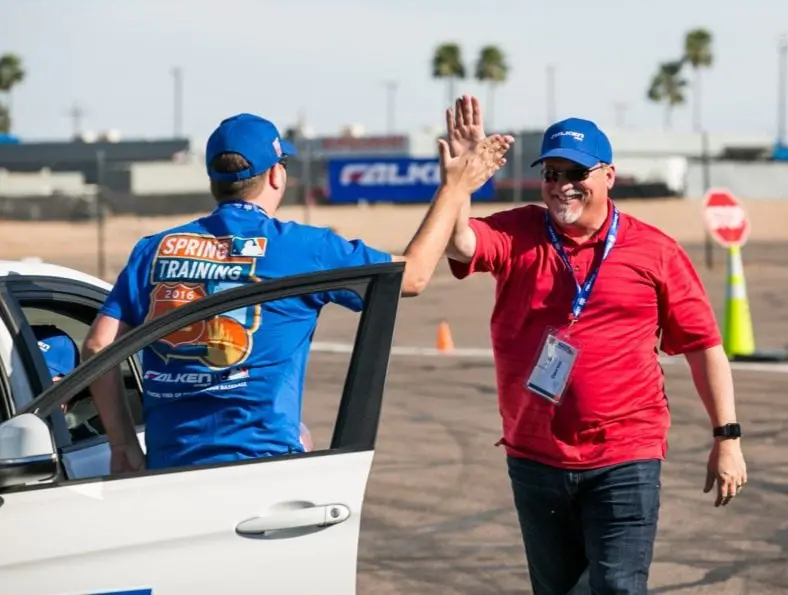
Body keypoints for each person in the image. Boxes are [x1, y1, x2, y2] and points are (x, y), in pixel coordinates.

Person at [82, 102, 512, 474]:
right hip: (262, 468)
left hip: (168, 469)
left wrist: (122, 445)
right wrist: (454, 187)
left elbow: (98, 347)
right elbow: (415, 275)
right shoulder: (305, 248)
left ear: (214, 180)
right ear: (275, 176)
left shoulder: (152, 249)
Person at [444, 100, 747, 595]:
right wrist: (457, 180)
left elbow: (704, 346)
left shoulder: (654, 250)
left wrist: (727, 438)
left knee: (617, 586)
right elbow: (459, 243)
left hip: (625, 453)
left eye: (577, 172)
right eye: (552, 172)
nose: (563, 184)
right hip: (535, 456)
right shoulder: (517, 231)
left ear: (609, 175)